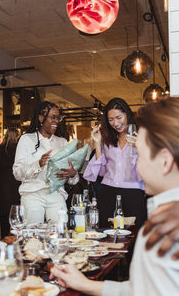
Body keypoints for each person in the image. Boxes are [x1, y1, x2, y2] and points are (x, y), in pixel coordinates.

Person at [51, 96, 179, 295]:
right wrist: (85, 284)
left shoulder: (166, 230)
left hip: (133, 197)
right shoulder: (163, 219)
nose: (138, 166)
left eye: (141, 154)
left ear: (165, 161)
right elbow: (141, 290)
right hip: (109, 193)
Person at [83, 97, 147, 228]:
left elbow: (146, 172)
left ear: (127, 115)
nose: (115, 123)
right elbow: (99, 173)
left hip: (134, 193)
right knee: (107, 235)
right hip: (108, 193)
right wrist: (98, 143)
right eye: (111, 119)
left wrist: (139, 147)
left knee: (134, 235)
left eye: (119, 117)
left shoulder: (142, 136)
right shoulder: (107, 139)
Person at [13, 101, 78, 224]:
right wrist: (38, 164)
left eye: (58, 118)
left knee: (60, 231)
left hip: (56, 193)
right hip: (33, 194)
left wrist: (72, 174)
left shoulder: (62, 142)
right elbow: (17, 173)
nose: (57, 121)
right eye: (53, 117)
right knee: (33, 234)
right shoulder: (27, 140)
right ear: (41, 117)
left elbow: (72, 180)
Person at [0, 128, 21, 238]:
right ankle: (16, 237)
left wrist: (0, 174)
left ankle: (4, 237)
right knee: (17, 212)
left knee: (4, 214)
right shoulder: (18, 149)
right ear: (17, 136)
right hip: (17, 186)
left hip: (2, 186)